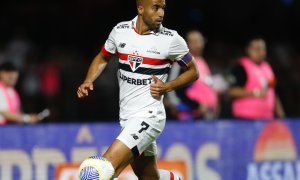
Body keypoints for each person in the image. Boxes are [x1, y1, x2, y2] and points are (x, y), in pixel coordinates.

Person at [77, 0, 199, 179]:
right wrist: (88, 79)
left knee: (97, 172)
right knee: (149, 177)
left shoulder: (171, 39)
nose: (161, 13)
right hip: (127, 117)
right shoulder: (121, 31)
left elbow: (193, 71)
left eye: (163, 8)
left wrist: (168, 86)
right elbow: (103, 57)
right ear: (140, 9)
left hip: (149, 117)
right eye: (155, 8)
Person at [228, 37, 285, 120]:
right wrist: (255, 92)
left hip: (267, 118)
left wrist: (281, 115)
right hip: (245, 118)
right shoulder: (240, 67)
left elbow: (273, 92)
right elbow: (231, 92)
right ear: (248, 50)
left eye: (262, 49)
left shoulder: (268, 68)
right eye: (256, 49)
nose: (260, 52)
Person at [168, 30, 218, 120]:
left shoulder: (201, 61)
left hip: (205, 116)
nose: (198, 44)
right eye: (194, 42)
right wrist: (197, 105)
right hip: (189, 117)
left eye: (200, 41)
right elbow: (173, 90)